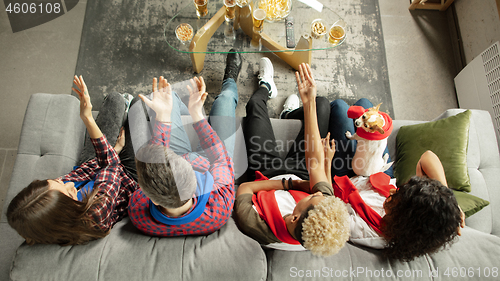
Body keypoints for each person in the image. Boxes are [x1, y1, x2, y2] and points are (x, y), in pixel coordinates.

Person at [234, 61, 350, 257]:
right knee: (321, 104)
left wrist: (291, 184)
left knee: (254, 105)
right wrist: (308, 102)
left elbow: (244, 188)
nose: (319, 193)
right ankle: (288, 114)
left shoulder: (257, 226)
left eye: (313, 196)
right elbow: (314, 164)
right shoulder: (324, 207)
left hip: (265, 171)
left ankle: (266, 87)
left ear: (295, 218)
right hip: (300, 169)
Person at [327, 98, 465, 261]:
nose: (394, 190)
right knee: (366, 106)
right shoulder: (416, 207)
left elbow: (327, 203)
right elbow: (427, 157)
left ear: (403, 219)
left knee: (340, 107)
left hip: (348, 177)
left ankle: (290, 112)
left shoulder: (366, 231)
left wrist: (327, 162)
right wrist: (448, 200)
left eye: (396, 197)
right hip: (380, 173)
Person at [7, 76, 139, 245]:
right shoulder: (95, 215)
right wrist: (88, 118)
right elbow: (112, 165)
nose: (68, 183)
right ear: (67, 213)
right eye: (70, 193)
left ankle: (122, 111)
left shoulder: (48, 209)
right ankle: (129, 113)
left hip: (94, 166)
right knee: (139, 106)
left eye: (57, 181)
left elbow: (87, 169)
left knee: (115, 99)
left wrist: (111, 151)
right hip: (126, 179)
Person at [127, 51, 240, 236]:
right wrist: (197, 115)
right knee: (226, 100)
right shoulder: (219, 204)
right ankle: (230, 79)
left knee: (165, 96)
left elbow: (155, 163)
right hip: (211, 165)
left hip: (180, 158)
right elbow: (221, 158)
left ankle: (182, 101)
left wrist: (163, 117)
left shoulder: (138, 212)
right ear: (194, 180)